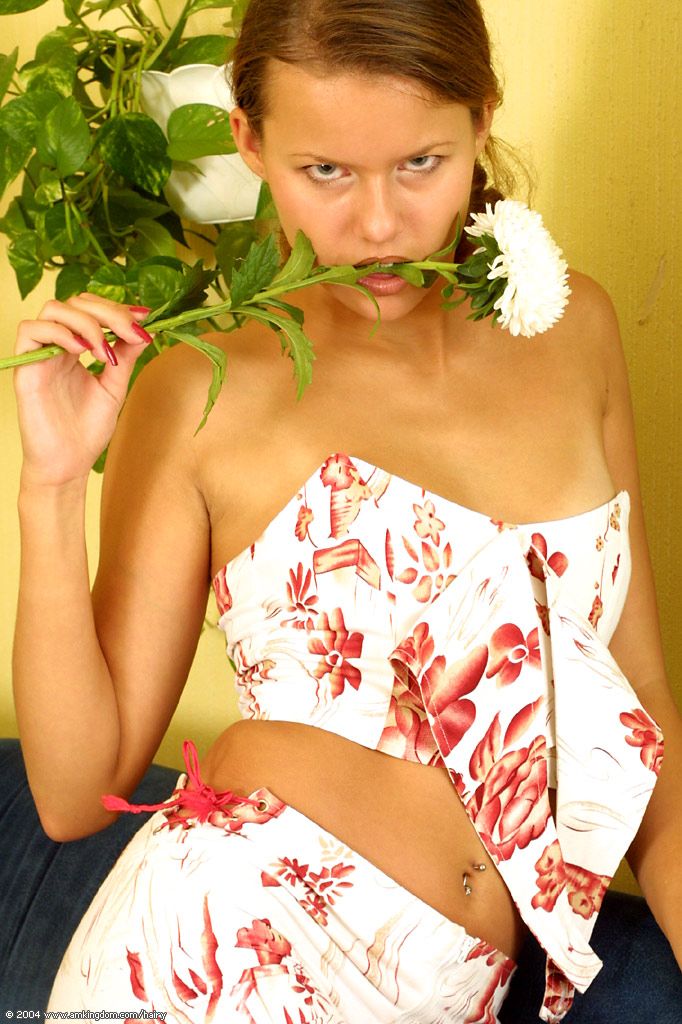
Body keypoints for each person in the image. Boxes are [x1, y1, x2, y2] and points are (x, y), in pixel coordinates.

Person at [11, 0, 681, 1020]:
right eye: (325, 170)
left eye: (420, 163)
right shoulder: (198, 385)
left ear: (482, 119)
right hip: (208, 960)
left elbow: (640, 700)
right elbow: (73, 794)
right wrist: (53, 484)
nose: (377, 224)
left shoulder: (572, 327)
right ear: (250, 140)